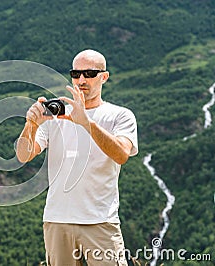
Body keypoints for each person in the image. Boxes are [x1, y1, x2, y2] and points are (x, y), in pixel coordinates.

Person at [16, 49, 138, 266]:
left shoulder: (120, 115)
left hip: (100, 221)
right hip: (57, 220)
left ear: (104, 77)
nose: (81, 79)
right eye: (76, 73)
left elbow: (121, 155)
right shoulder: (55, 117)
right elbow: (23, 155)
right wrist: (30, 125)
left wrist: (86, 123)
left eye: (90, 73)